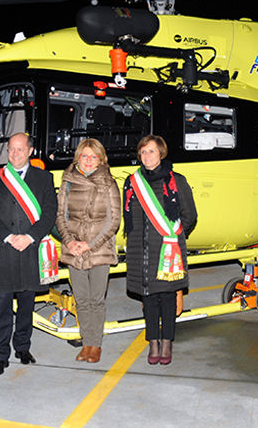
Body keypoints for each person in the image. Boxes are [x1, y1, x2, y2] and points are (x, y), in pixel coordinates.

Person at [0, 132, 57, 376]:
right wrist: (9, 237)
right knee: (1, 305)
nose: (15, 153)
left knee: (27, 302)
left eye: (20, 149)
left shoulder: (43, 178)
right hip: (4, 249)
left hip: (31, 249)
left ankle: (22, 347)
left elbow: (50, 212)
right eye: (11, 149)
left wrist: (30, 237)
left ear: (30, 151)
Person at [123, 135, 197, 366]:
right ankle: (152, 341)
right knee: (149, 298)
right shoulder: (132, 182)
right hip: (140, 251)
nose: (147, 156)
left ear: (161, 153)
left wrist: (174, 237)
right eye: (143, 152)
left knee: (166, 297)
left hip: (167, 250)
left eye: (151, 151)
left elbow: (190, 216)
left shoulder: (176, 181)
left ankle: (167, 342)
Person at [56, 138, 121, 363]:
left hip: (99, 249)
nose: (88, 160)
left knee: (96, 299)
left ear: (100, 159)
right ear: (78, 157)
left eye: (93, 156)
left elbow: (113, 221)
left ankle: (96, 345)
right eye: (84, 155)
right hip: (73, 249)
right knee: (81, 299)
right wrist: (70, 241)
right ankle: (86, 344)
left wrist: (89, 244)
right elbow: (61, 216)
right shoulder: (68, 181)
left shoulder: (109, 183)